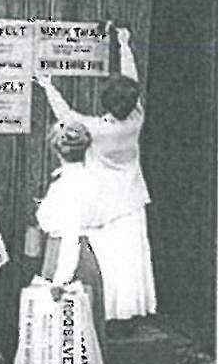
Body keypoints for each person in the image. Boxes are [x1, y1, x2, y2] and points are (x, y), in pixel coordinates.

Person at [35, 28, 157, 332]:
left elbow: (65, 114)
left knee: (109, 264)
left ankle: (108, 315)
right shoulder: (136, 119)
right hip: (132, 202)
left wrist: (47, 85)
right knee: (133, 263)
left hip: (104, 206)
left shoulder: (96, 130)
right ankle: (130, 316)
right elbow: (134, 84)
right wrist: (124, 45)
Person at [36, 121, 106, 351]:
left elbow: (70, 235)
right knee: (83, 324)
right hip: (86, 253)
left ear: (56, 149)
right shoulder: (91, 179)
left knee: (63, 321)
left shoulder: (65, 184)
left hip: (64, 256)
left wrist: (60, 281)